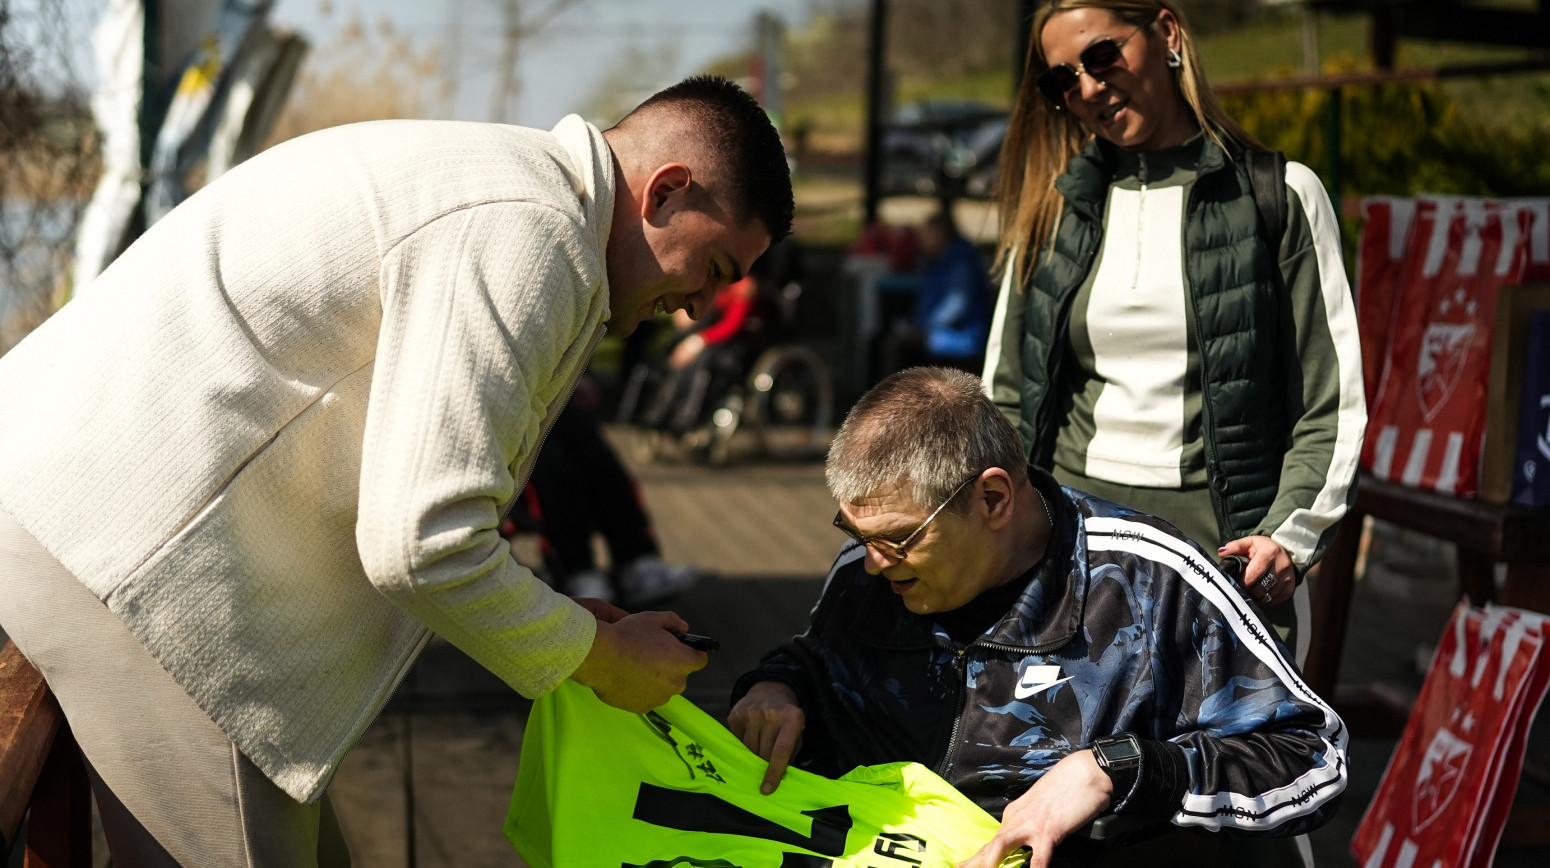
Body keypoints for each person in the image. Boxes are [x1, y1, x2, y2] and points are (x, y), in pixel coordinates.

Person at [0, 75, 791, 866]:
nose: (699, 305)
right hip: (135, 567)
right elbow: (423, 545)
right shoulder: (532, 231)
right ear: (668, 191)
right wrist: (602, 660)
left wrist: (568, 624)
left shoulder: (514, 192)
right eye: (716, 267)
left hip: (115, 531)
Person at [729, 367, 1347, 868]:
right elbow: (817, 661)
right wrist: (778, 686)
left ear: (993, 498)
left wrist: (1117, 769)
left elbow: (1312, 756)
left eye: (898, 537)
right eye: (853, 532)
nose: (870, 563)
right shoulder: (869, 568)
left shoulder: (1148, 581)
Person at [982, 0, 1365, 663]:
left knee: (1220, 767)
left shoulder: (1280, 195)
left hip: (1222, 563)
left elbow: (1329, 405)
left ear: (1166, 31)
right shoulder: (1051, 212)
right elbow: (1003, 398)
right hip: (1071, 556)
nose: (1090, 87)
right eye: (1062, 79)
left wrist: (1288, 537)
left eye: (1103, 55)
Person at [519, 388, 698, 607]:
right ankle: (577, 571)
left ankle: (635, 560)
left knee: (593, 449)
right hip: (498, 412)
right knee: (554, 466)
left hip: (536, 395)